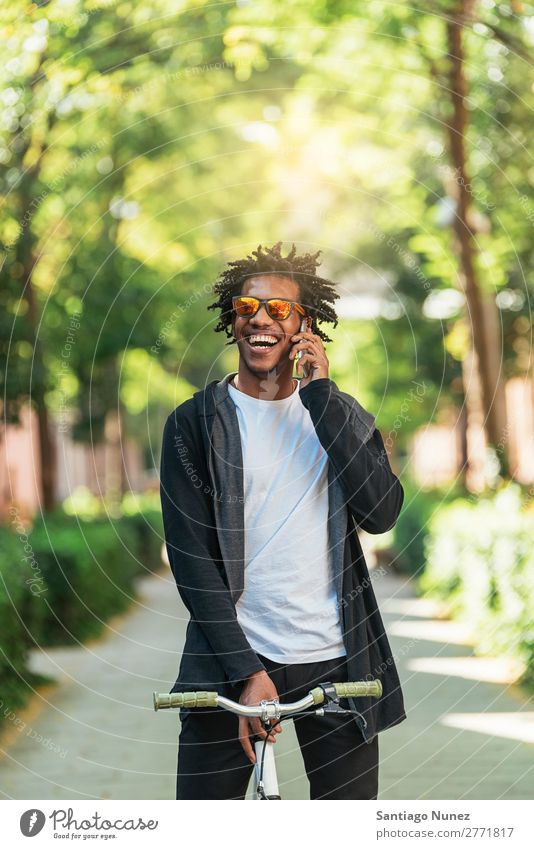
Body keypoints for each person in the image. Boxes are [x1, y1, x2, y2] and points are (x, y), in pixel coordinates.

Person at [159, 241, 406, 800]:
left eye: (280, 309)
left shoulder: (338, 412)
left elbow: (382, 513)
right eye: (248, 308)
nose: (261, 320)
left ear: (306, 325)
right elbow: (191, 559)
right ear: (231, 319)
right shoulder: (194, 424)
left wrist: (321, 396)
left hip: (336, 658)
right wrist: (248, 672)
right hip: (230, 660)